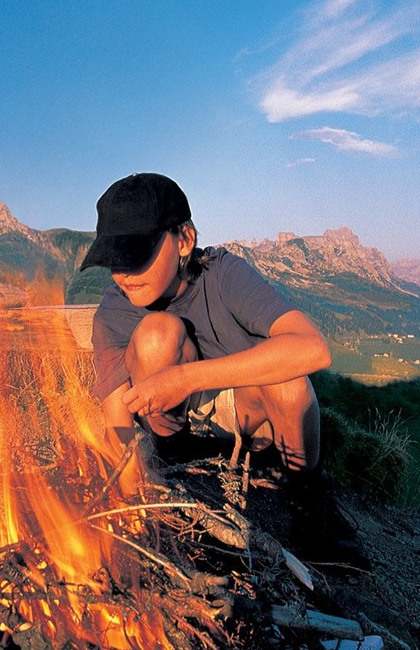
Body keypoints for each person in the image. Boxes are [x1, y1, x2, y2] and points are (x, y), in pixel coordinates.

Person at [82, 172, 368, 568]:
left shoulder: (224, 274)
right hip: (175, 435)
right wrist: (132, 500)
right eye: (114, 260)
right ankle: (179, 464)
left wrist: (186, 378)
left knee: (288, 380)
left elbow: (313, 348)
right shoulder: (113, 313)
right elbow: (117, 426)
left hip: (248, 417)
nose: (124, 273)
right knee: (155, 334)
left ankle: (308, 500)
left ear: (184, 240)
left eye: (137, 255)